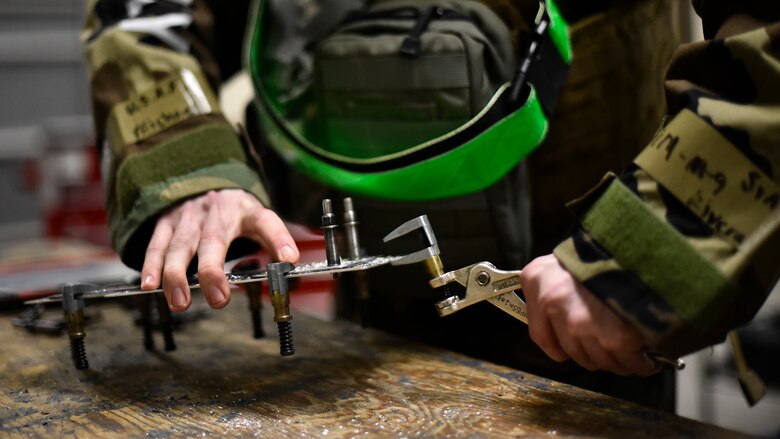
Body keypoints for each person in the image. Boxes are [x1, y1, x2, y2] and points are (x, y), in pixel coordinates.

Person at [80, 0, 779, 411]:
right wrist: (185, 163)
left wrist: (654, 241)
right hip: (365, 340)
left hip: (590, 314)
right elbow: (144, 16)